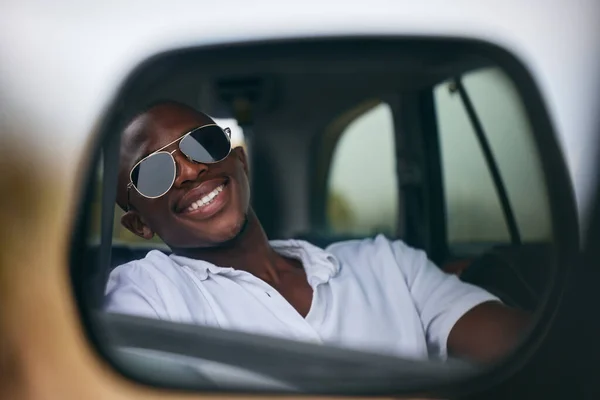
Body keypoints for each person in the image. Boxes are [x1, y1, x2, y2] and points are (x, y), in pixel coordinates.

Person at [105, 100, 529, 364]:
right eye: (155, 172)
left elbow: (528, 349)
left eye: (204, 144)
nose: (193, 170)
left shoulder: (387, 262)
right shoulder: (147, 291)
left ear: (241, 163)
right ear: (141, 224)